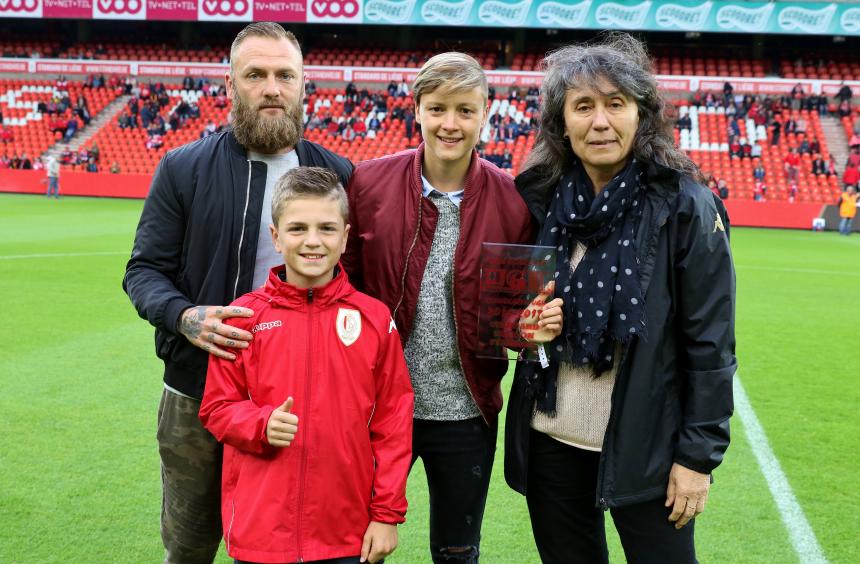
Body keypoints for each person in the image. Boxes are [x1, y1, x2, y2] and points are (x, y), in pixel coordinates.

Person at [122, 22, 353, 563]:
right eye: (256, 75)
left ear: (303, 86)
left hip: (295, 400)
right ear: (231, 85)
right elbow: (143, 271)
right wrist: (184, 317)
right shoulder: (183, 169)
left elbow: (351, 284)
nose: (272, 87)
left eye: (284, 75)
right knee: (190, 545)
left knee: (287, 545)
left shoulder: (336, 174)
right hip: (196, 395)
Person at [504, 34, 737, 564]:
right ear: (561, 122)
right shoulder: (542, 201)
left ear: (642, 114)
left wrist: (697, 459)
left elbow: (711, 345)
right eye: (583, 106)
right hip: (552, 438)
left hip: (648, 449)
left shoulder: (686, 208)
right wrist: (525, 329)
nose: (600, 121)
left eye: (616, 104)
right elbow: (517, 316)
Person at [342, 52, 535, 563]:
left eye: (466, 111)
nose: (451, 123)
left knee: (456, 551)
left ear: (485, 115)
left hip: (466, 410)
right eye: (439, 108)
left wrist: (528, 326)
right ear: (418, 110)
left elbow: (512, 311)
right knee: (354, 543)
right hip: (376, 408)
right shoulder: (368, 183)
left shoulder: (514, 201)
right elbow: (348, 287)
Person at [199, 167, 414, 563]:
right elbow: (216, 407)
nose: (312, 241)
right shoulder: (243, 316)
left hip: (346, 534)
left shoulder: (373, 319)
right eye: (297, 228)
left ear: (345, 237)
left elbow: (393, 423)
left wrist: (386, 515)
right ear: (276, 237)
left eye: (326, 229)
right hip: (262, 533)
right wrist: (260, 424)